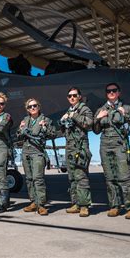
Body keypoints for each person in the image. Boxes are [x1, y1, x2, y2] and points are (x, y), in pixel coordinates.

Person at [93, 83, 130, 219]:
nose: (111, 92)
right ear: (106, 93)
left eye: (114, 90)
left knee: (125, 177)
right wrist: (98, 118)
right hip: (105, 145)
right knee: (110, 178)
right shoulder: (101, 110)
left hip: (120, 145)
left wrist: (126, 115)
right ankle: (115, 206)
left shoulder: (127, 108)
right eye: (109, 91)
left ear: (119, 92)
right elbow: (96, 131)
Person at [17, 98, 56, 215]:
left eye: (34, 106)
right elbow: (18, 136)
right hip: (26, 152)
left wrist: (44, 127)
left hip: (38, 152)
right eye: (30, 107)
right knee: (29, 179)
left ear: (38, 107)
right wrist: (20, 129)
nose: (32, 108)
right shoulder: (25, 120)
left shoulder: (45, 120)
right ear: (27, 109)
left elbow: (53, 133)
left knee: (38, 179)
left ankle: (41, 205)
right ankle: (33, 202)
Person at [59, 87, 93, 217]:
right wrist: (63, 122)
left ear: (79, 96)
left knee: (81, 177)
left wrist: (74, 116)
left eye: (74, 95)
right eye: (69, 96)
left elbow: (89, 123)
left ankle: (84, 205)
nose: (72, 98)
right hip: (70, 147)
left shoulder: (84, 109)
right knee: (72, 178)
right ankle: (76, 203)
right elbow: (64, 131)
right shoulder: (69, 110)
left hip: (80, 147)